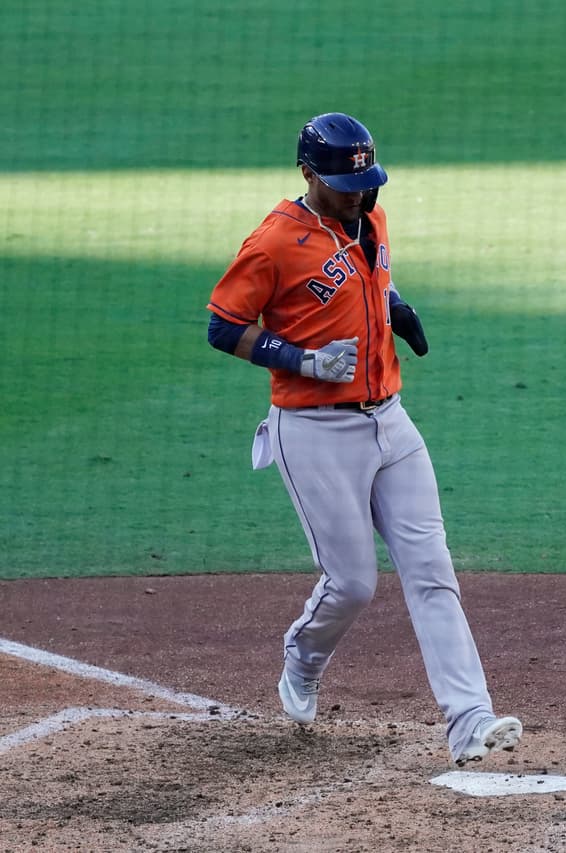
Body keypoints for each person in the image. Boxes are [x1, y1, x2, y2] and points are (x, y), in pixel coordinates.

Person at [205, 112, 522, 764]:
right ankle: (303, 656)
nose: (357, 195)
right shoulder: (273, 243)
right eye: (342, 184)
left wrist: (396, 306)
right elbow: (222, 324)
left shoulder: (369, 216)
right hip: (316, 432)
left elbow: (373, 272)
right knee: (352, 583)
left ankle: (470, 721)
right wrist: (296, 358)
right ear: (306, 174)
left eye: (364, 182)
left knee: (433, 572)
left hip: (391, 422)